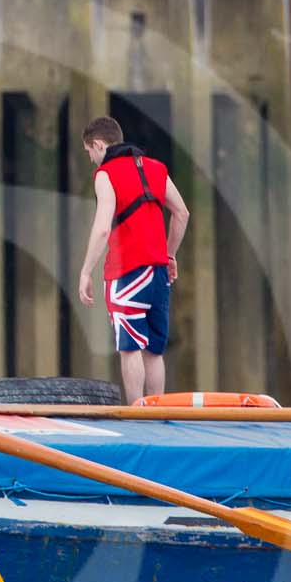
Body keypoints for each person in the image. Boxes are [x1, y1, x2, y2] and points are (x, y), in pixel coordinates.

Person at [75, 115, 190, 405]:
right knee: (153, 350)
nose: (91, 160)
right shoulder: (156, 168)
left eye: (89, 152)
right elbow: (182, 213)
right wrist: (170, 253)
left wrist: (86, 271)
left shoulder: (106, 175)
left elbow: (102, 228)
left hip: (126, 272)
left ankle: (137, 414)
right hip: (159, 273)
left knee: (130, 347)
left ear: (99, 144)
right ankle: (158, 414)